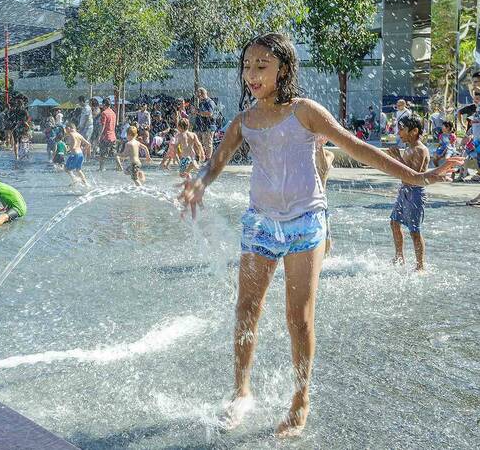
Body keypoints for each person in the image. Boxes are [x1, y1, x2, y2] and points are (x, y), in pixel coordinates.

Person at [178, 33, 461, 437]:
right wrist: (200, 182)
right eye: (247, 66)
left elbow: (357, 147)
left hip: (305, 224)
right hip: (260, 224)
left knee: (299, 318)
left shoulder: (305, 112)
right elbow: (215, 163)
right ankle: (240, 392)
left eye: (262, 66)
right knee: (246, 310)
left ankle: (300, 399)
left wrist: (415, 176)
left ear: (283, 69)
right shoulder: (243, 122)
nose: (252, 74)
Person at [385, 114, 430, 272]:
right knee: (394, 223)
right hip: (404, 191)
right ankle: (399, 256)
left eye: (402, 129)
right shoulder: (409, 148)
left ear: (414, 131)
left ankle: (420, 265)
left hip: (415, 193)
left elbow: (413, 175)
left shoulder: (420, 150)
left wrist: (397, 157)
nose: (399, 133)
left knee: (414, 230)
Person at [314, 135, 335, 256]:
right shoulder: (300, 152)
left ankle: (325, 261)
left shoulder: (329, 155)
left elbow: (322, 172)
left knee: (325, 238)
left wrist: (319, 145)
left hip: (319, 202)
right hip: (301, 201)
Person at [64, 122, 92, 186]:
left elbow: (73, 145)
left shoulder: (71, 134)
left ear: (69, 128)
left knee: (66, 168)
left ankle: (75, 179)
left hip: (74, 155)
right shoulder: (79, 135)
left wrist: (69, 149)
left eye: (66, 129)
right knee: (78, 170)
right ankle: (86, 184)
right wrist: (86, 152)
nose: (66, 130)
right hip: (80, 154)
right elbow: (88, 144)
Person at [98, 98, 122, 171]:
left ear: (104, 104)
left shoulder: (104, 113)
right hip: (113, 136)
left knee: (103, 153)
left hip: (106, 136)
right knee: (115, 153)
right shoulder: (113, 113)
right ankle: (119, 166)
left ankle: (101, 168)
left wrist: (99, 136)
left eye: (102, 104)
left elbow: (103, 126)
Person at [194, 87, 217, 159]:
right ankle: (199, 157)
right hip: (200, 127)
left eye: (198, 95)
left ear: (202, 94)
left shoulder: (209, 102)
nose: (197, 97)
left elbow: (209, 113)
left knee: (207, 144)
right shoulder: (202, 102)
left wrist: (198, 112)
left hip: (208, 127)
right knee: (197, 143)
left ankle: (208, 159)